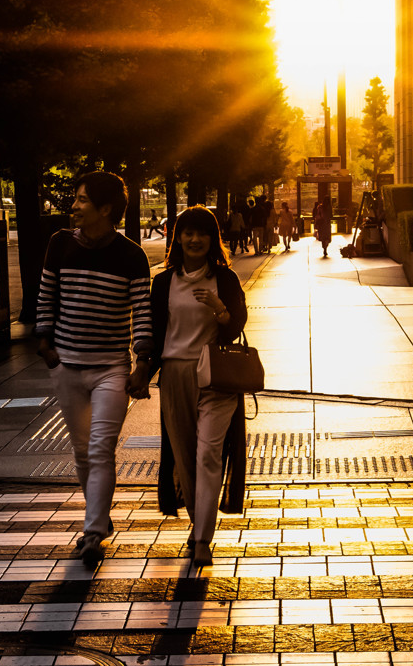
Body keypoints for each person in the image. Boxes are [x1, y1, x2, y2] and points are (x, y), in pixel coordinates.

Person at [35, 171, 152, 569]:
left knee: (101, 448)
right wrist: (45, 345)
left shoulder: (131, 256)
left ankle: (93, 532)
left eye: (83, 200)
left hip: (110, 371)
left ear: (105, 209)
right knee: (83, 452)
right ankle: (98, 518)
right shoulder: (60, 245)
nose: (74, 207)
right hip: (66, 365)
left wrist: (142, 362)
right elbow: (47, 293)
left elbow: (143, 314)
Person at [147, 206, 248, 568]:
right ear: (177, 238)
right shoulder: (163, 282)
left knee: (208, 454)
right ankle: (197, 523)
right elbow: (154, 332)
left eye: (202, 233)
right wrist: (141, 371)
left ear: (212, 239)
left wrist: (221, 310)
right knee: (185, 458)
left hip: (216, 376)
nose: (194, 239)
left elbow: (235, 325)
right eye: (187, 232)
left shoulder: (225, 279)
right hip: (174, 375)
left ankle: (202, 538)